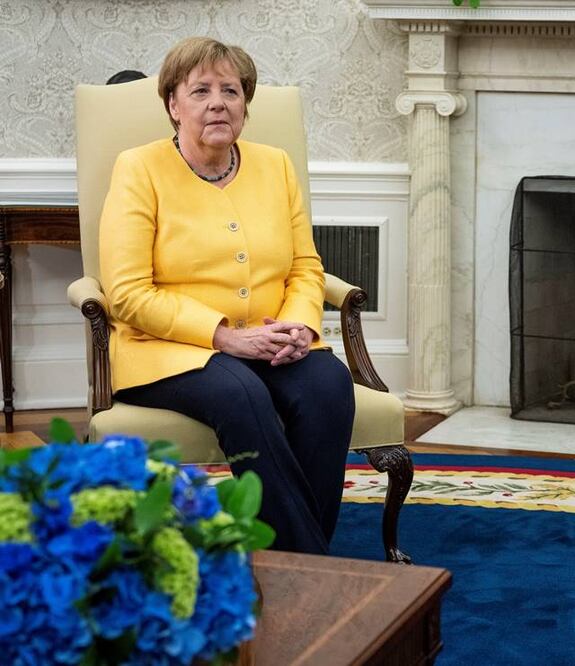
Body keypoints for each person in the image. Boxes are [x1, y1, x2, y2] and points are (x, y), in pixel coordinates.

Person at [98, 37, 355, 555]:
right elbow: (126, 293)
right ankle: (312, 569)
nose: (218, 102)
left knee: (328, 383)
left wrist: (300, 327)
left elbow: (306, 266)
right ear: (173, 105)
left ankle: (280, 560)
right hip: (169, 349)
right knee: (242, 395)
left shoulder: (274, 165)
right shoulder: (139, 169)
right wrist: (223, 336)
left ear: (245, 104)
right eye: (201, 91)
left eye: (231, 91)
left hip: (269, 336)